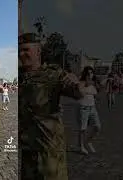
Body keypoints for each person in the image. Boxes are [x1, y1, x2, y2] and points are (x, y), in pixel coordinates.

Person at [19, 33, 83, 180]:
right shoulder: (21, 76)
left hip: (48, 151)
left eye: (26, 50)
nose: (22, 54)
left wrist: (78, 85)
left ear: (38, 51)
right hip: (28, 150)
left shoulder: (53, 75)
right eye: (20, 51)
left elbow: (77, 92)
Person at [78, 66, 101, 154]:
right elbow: (81, 92)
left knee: (97, 126)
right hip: (83, 107)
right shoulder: (82, 82)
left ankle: (88, 141)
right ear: (85, 74)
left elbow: (97, 94)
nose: (90, 75)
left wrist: (93, 89)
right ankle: (81, 146)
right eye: (88, 73)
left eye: (91, 73)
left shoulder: (93, 83)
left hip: (92, 107)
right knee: (82, 128)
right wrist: (88, 87)